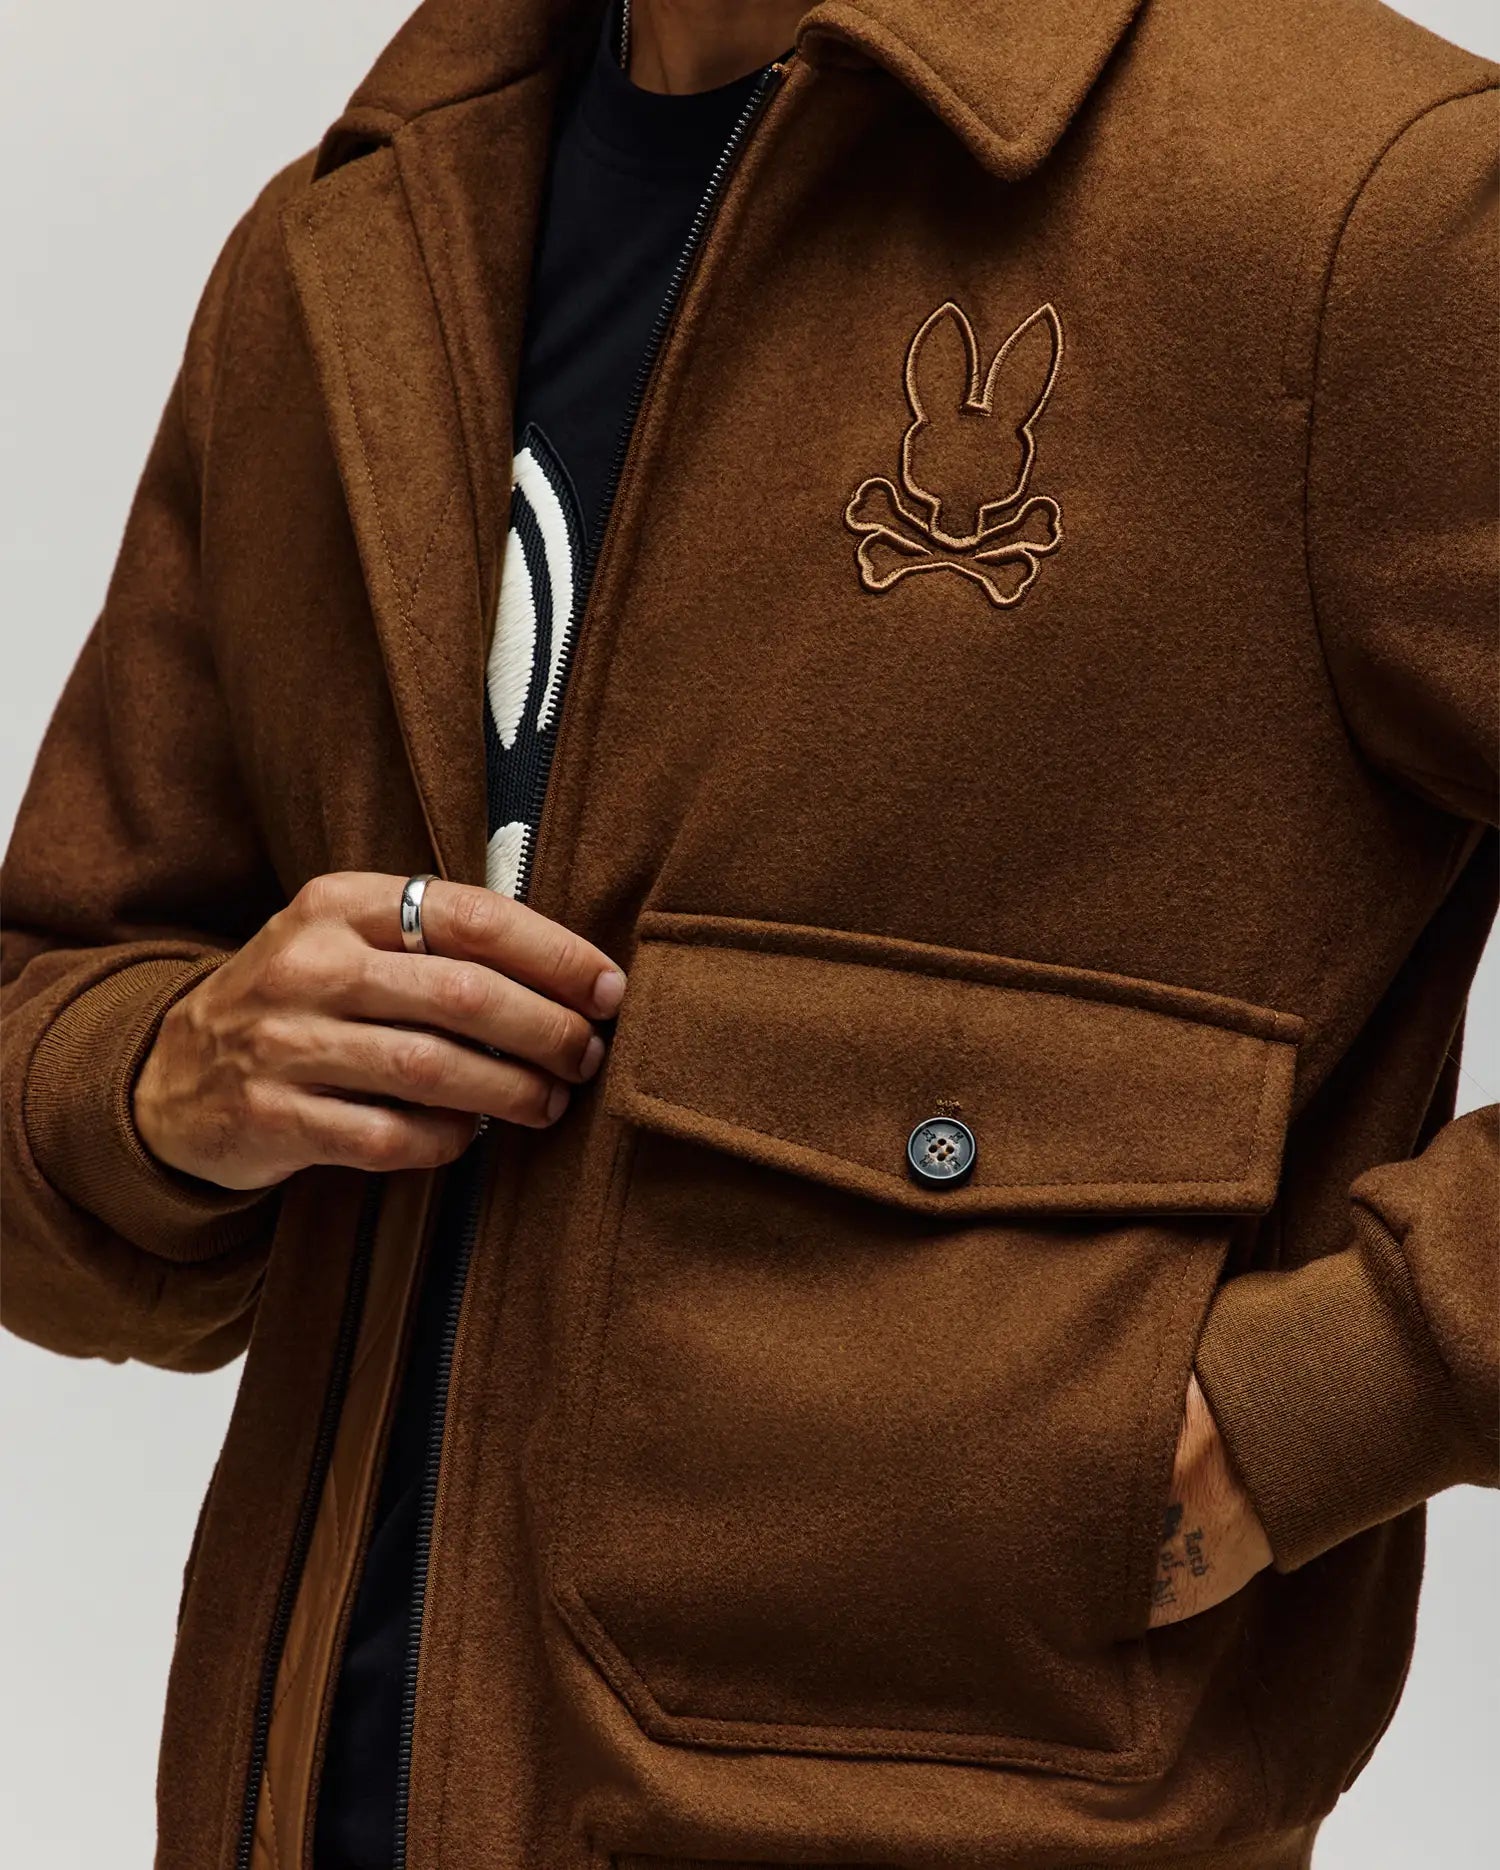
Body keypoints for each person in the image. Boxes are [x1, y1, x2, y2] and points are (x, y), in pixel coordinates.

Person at [3, 0, 1495, 1864]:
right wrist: (165, 1079)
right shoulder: (348, 241)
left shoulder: (1370, 205)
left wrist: (1317, 1400)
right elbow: (45, 1021)